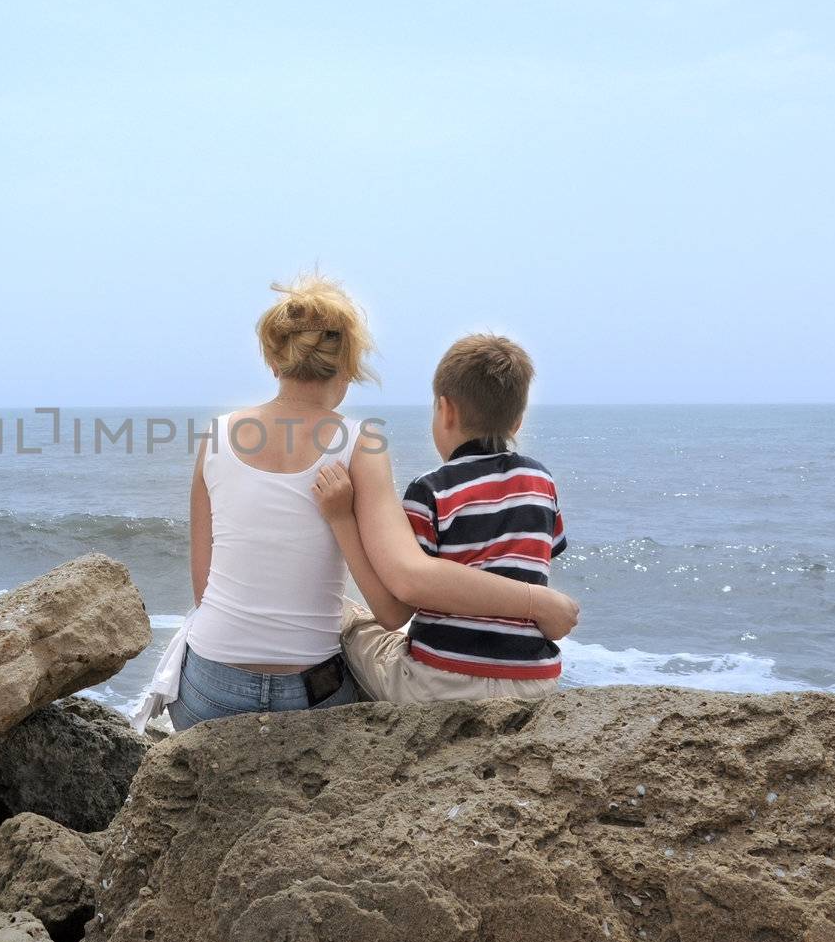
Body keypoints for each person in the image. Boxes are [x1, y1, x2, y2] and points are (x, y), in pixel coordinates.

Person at [132, 279, 579, 732]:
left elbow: (203, 591)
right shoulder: (359, 443)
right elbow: (393, 611)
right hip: (310, 696)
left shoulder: (216, 437)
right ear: (349, 365)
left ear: (273, 360)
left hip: (211, 688)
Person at [314, 333, 571, 703]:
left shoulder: (431, 490)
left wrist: (342, 518)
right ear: (517, 421)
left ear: (446, 410)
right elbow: (536, 560)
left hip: (438, 684)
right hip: (534, 680)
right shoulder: (540, 481)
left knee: (352, 625)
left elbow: (393, 609)